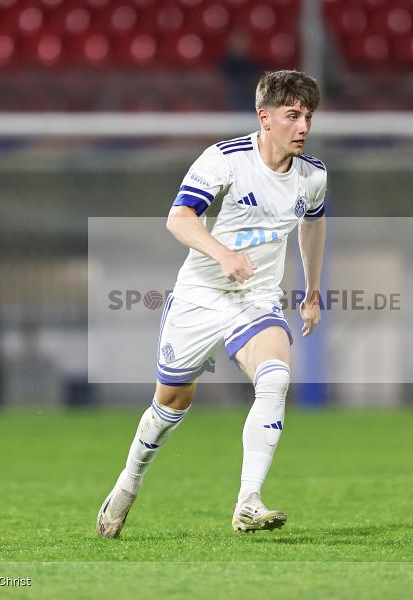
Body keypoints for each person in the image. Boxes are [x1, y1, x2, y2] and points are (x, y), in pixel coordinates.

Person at [97, 70, 327, 537]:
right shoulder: (225, 159)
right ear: (265, 118)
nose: (303, 126)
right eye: (292, 116)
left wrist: (313, 291)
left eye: (308, 116)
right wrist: (222, 254)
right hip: (200, 297)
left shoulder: (313, 176)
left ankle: (248, 501)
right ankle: (129, 480)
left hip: (256, 298)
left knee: (276, 377)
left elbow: (314, 224)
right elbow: (178, 219)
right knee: (170, 405)